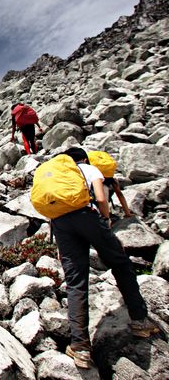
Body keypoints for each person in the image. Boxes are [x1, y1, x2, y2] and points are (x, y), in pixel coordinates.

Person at [54, 147, 159, 369]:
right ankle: (140, 320)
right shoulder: (89, 168)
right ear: (83, 158)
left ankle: (80, 347)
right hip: (88, 216)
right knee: (121, 264)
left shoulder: (60, 176)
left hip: (61, 223)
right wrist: (105, 221)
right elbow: (101, 199)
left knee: (75, 282)